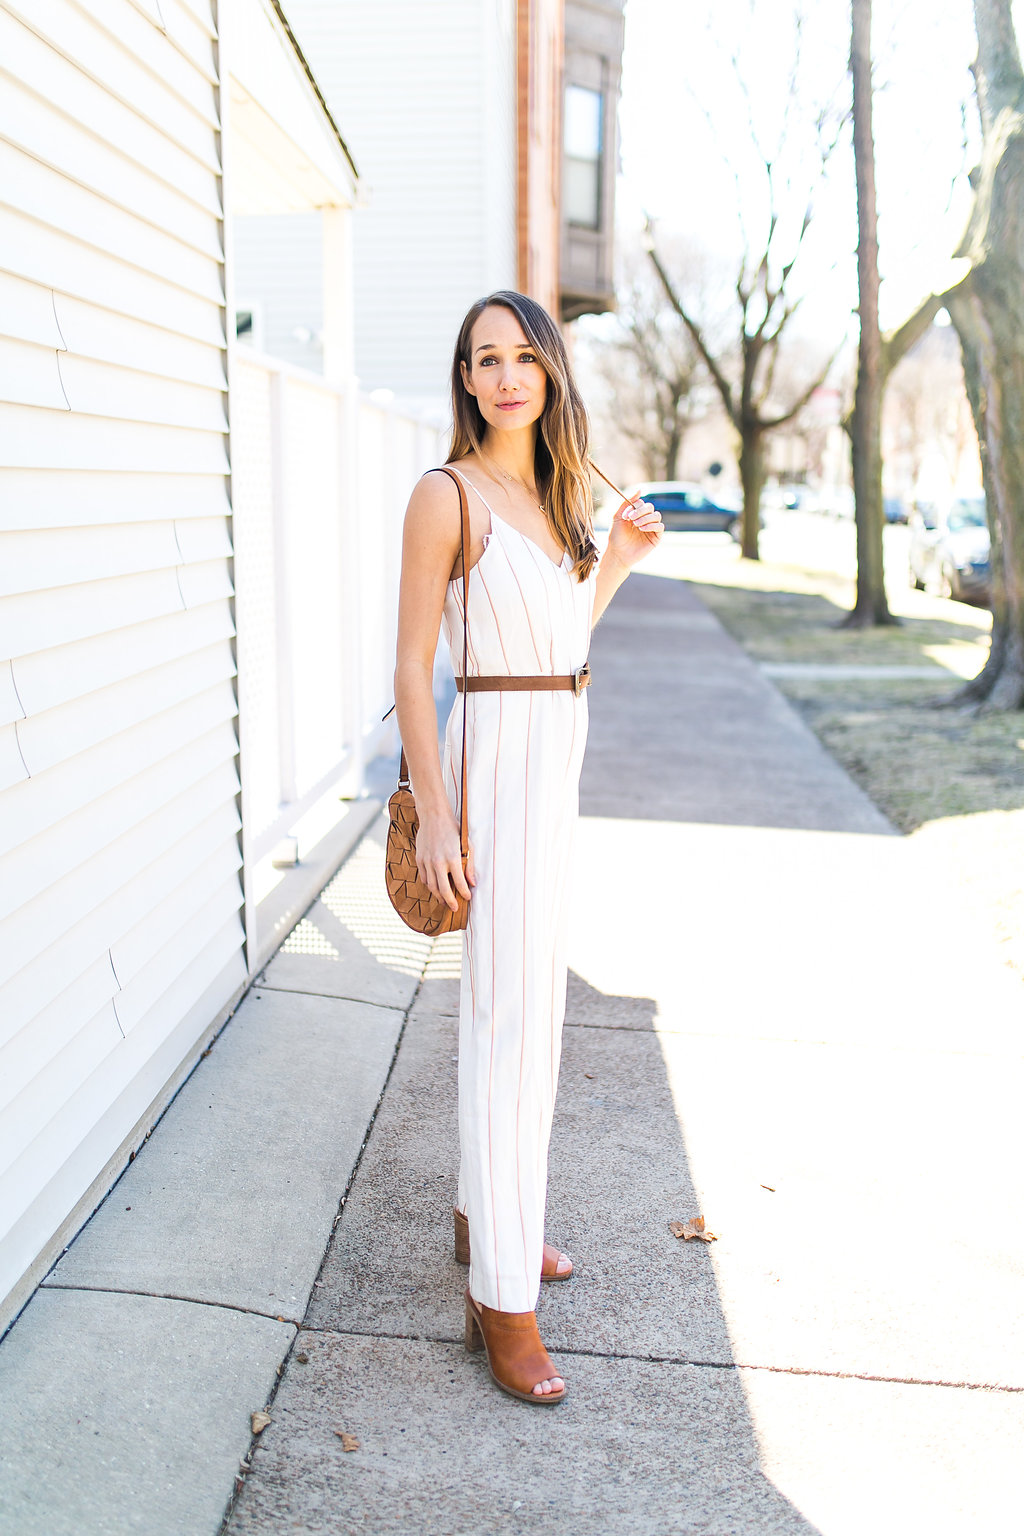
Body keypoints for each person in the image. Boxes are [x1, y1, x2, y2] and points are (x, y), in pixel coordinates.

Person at [393, 290, 663, 1405]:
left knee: (528, 1012)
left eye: (521, 357)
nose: (504, 376)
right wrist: (443, 813)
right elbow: (417, 667)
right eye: (482, 359)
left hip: (555, 766)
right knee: (507, 1023)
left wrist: (617, 566)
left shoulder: (557, 499)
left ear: (550, 372)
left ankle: (488, 1219)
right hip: (489, 773)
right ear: (464, 379)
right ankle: (504, 1296)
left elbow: (554, 646)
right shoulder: (444, 494)